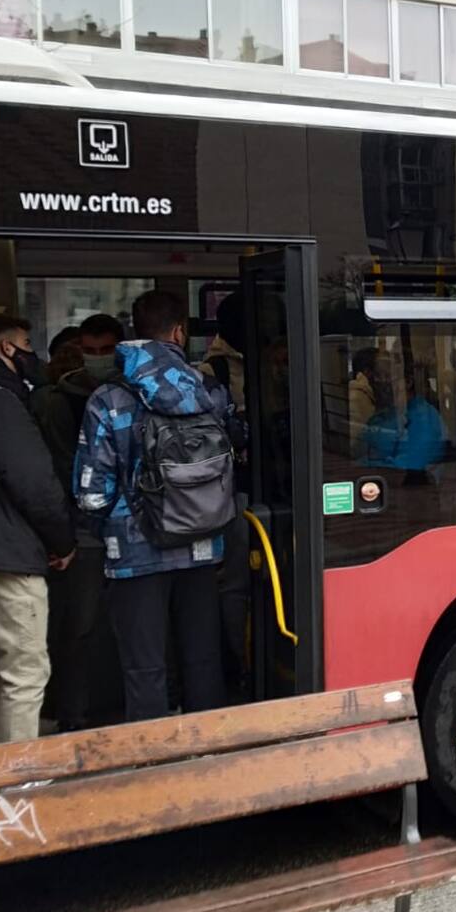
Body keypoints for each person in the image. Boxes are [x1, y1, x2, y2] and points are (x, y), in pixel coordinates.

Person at [75, 290, 227, 722]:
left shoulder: (107, 399)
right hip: (201, 542)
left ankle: (152, 765)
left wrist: (104, 525)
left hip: (134, 553)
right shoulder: (209, 389)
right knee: (202, 659)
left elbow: (92, 492)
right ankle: (210, 753)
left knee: (144, 668)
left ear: (133, 333)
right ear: (180, 332)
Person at [0, 315, 75, 744]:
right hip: (9, 550)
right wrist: (62, 540)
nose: (32, 352)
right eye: (26, 342)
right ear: (8, 349)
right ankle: (22, 783)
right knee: (25, 670)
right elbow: (34, 481)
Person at [31, 312, 123, 731]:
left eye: (106, 351)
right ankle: (73, 715)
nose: (98, 358)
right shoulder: (57, 400)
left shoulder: (130, 393)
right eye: (91, 351)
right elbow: (59, 470)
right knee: (80, 628)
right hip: (84, 532)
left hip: (124, 528)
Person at [198, 292, 251, 704]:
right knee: (234, 586)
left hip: (280, 490)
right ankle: (241, 666)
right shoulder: (210, 372)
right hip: (233, 494)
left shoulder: (277, 360)